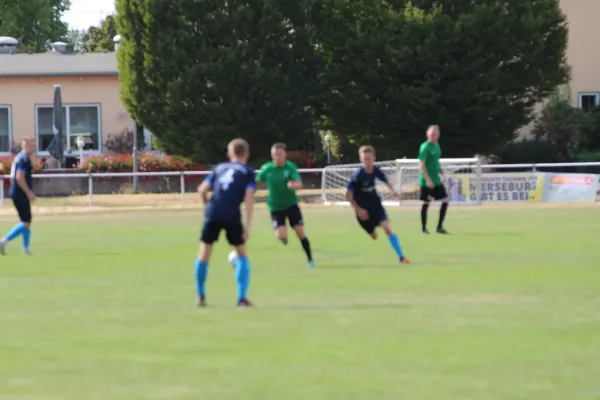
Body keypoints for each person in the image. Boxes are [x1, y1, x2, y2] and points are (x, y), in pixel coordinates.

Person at [195, 139, 256, 307]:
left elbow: (202, 190)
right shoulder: (247, 171)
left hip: (213, 211)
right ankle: (241, 298)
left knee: (204, 254)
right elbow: (250, 197)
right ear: (247, 154)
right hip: (232, 213)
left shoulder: (219, 168)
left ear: (229, 154)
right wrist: (248, 225)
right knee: (242, 254)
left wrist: (206, 206)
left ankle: (200, 296)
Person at [344, 145, 409, 264]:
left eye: (369, 159)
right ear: (361, 159)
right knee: (374, 236)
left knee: (387, 228)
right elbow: (347, 195)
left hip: (376, 206)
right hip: (363, 212)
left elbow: (386, 180)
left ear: (374, 158)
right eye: (365, 159)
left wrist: (395, 192)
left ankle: (401, 257)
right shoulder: (357, 175)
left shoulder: (376, 170)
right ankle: (371, 231)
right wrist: (358, 209)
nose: (367, 162)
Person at [256, 143, 314, 267]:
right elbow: (257, 182)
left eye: (279, 154)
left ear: (285, 155)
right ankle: (283, 237)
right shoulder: (267, 168)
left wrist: (294, 185)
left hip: (291, 205)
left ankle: (310, 259)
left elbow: (299, 183)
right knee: (281, 236)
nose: (277, 157)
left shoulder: (289, 167)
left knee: (300, 231)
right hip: (275, 207)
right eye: (275, 155)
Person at [0, 139, 36, 255]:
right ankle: (4, 241)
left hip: (17, 192)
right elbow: (19, 177)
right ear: (26, 145)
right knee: (26, 222)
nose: (34, 147)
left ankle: (26, 249)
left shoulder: (19, 157)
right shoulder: (24, 159)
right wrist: (28, 192)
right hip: (20, 193)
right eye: (32, 145)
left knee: (26, 220)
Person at [419, 125, 449, 234]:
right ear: (427, 135)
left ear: (438, 135)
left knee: (445, 200)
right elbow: (422, 165)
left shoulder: (437, 146)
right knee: (426, 202)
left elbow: (436, 161)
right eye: (431, 134)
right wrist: (428, 180)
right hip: (426, 181)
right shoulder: (425, 147)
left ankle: (439, 227)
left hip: (436, 180)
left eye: (435, 134)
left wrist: (442, 173)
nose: (433, 136)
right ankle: (423, 229)